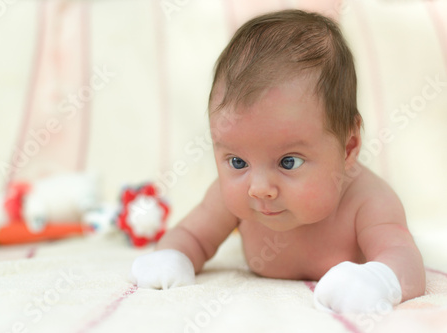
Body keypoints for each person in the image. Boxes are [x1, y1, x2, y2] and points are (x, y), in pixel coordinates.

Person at [130, 9, 425, 313]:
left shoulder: (368, 201)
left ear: (348, 148)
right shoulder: (227, 197)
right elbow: (191, 236)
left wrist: (380, 280)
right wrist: (173, 256)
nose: (259, 189)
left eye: (288, 162)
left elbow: (405, 260)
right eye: (237, 162)